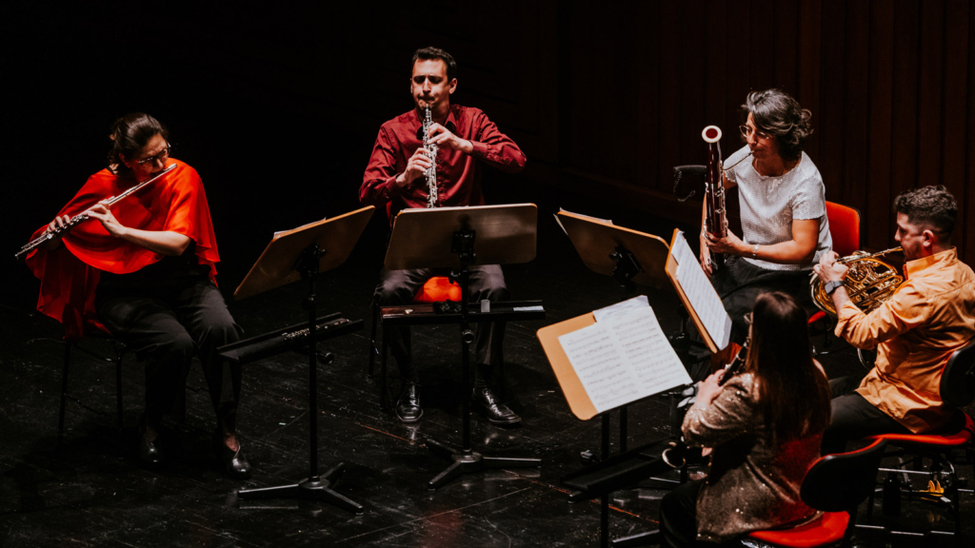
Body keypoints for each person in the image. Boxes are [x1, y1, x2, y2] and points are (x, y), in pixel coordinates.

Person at [24, 113, 250, 478]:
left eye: (164, 152)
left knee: (223, 331)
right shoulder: (102, 184)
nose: (161, 164)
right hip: (125, 291)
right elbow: (58, 240)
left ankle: (227, 432)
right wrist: (55, 235)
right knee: (174, 345)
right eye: (149, 160)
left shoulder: (182, 175)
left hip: (183, 282)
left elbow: (178, 244)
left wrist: (120, 229)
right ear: (126, 160)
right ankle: (152, 424)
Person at [360, 47, 527, 426]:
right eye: (419, 80)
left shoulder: (472, 120)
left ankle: (482, 384)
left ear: (451, 85)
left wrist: (463, 144)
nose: (425, 89)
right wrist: (403, 179)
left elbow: (516, 160)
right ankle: (408, 381)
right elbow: (367, 191)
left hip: (468, 242)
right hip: (417, 243)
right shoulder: (393, 130)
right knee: (388, 294)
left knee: (496, 291)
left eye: (434, 80)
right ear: (411, 86)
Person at [659, 292, 832, 546]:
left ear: (760, 337)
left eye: (752, 323)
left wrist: (704, 396)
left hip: (759, 504)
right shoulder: (816, 372)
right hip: (803, 493)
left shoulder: (750, 389)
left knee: (675, 504)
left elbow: (694, 431)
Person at [815, 185, 975, 454]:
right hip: (912, 386)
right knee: (812, 395)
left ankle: (830, 489)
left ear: (926, 238)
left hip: (907, 403)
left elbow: (861, 335)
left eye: (903, 230)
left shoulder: (921, 292)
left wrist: (835, 285)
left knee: (815, 417)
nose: (896, 236)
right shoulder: (965, 273)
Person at [700, 89, 832, 346]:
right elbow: (713, 188)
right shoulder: (745, 158)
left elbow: (802, 250)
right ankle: (711, 377)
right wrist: (703, 236)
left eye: (761, 134)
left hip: (797, 274)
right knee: (702, 302)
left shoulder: (806, 181)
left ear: (784, 136)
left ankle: (747, 380)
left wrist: (740, 248)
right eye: (747, 129)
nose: (750, 140)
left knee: (735, 316)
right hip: (752, 260)